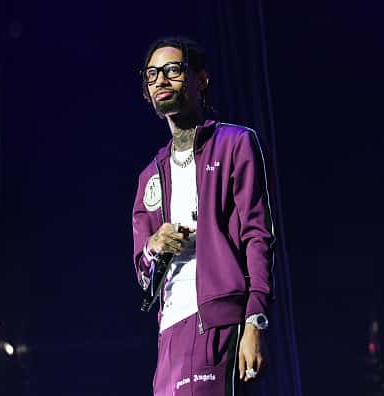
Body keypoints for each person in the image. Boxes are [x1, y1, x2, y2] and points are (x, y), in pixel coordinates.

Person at [132, 37, 275, 396]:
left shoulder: (235, 143)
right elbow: (143, 275)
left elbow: (258, 236)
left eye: (173, 70)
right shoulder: (150, 176)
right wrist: (153, 247)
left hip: (219, 322)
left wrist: (255, 320)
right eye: (152, 75)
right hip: (169, 335)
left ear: (201, 80)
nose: (161, 80)